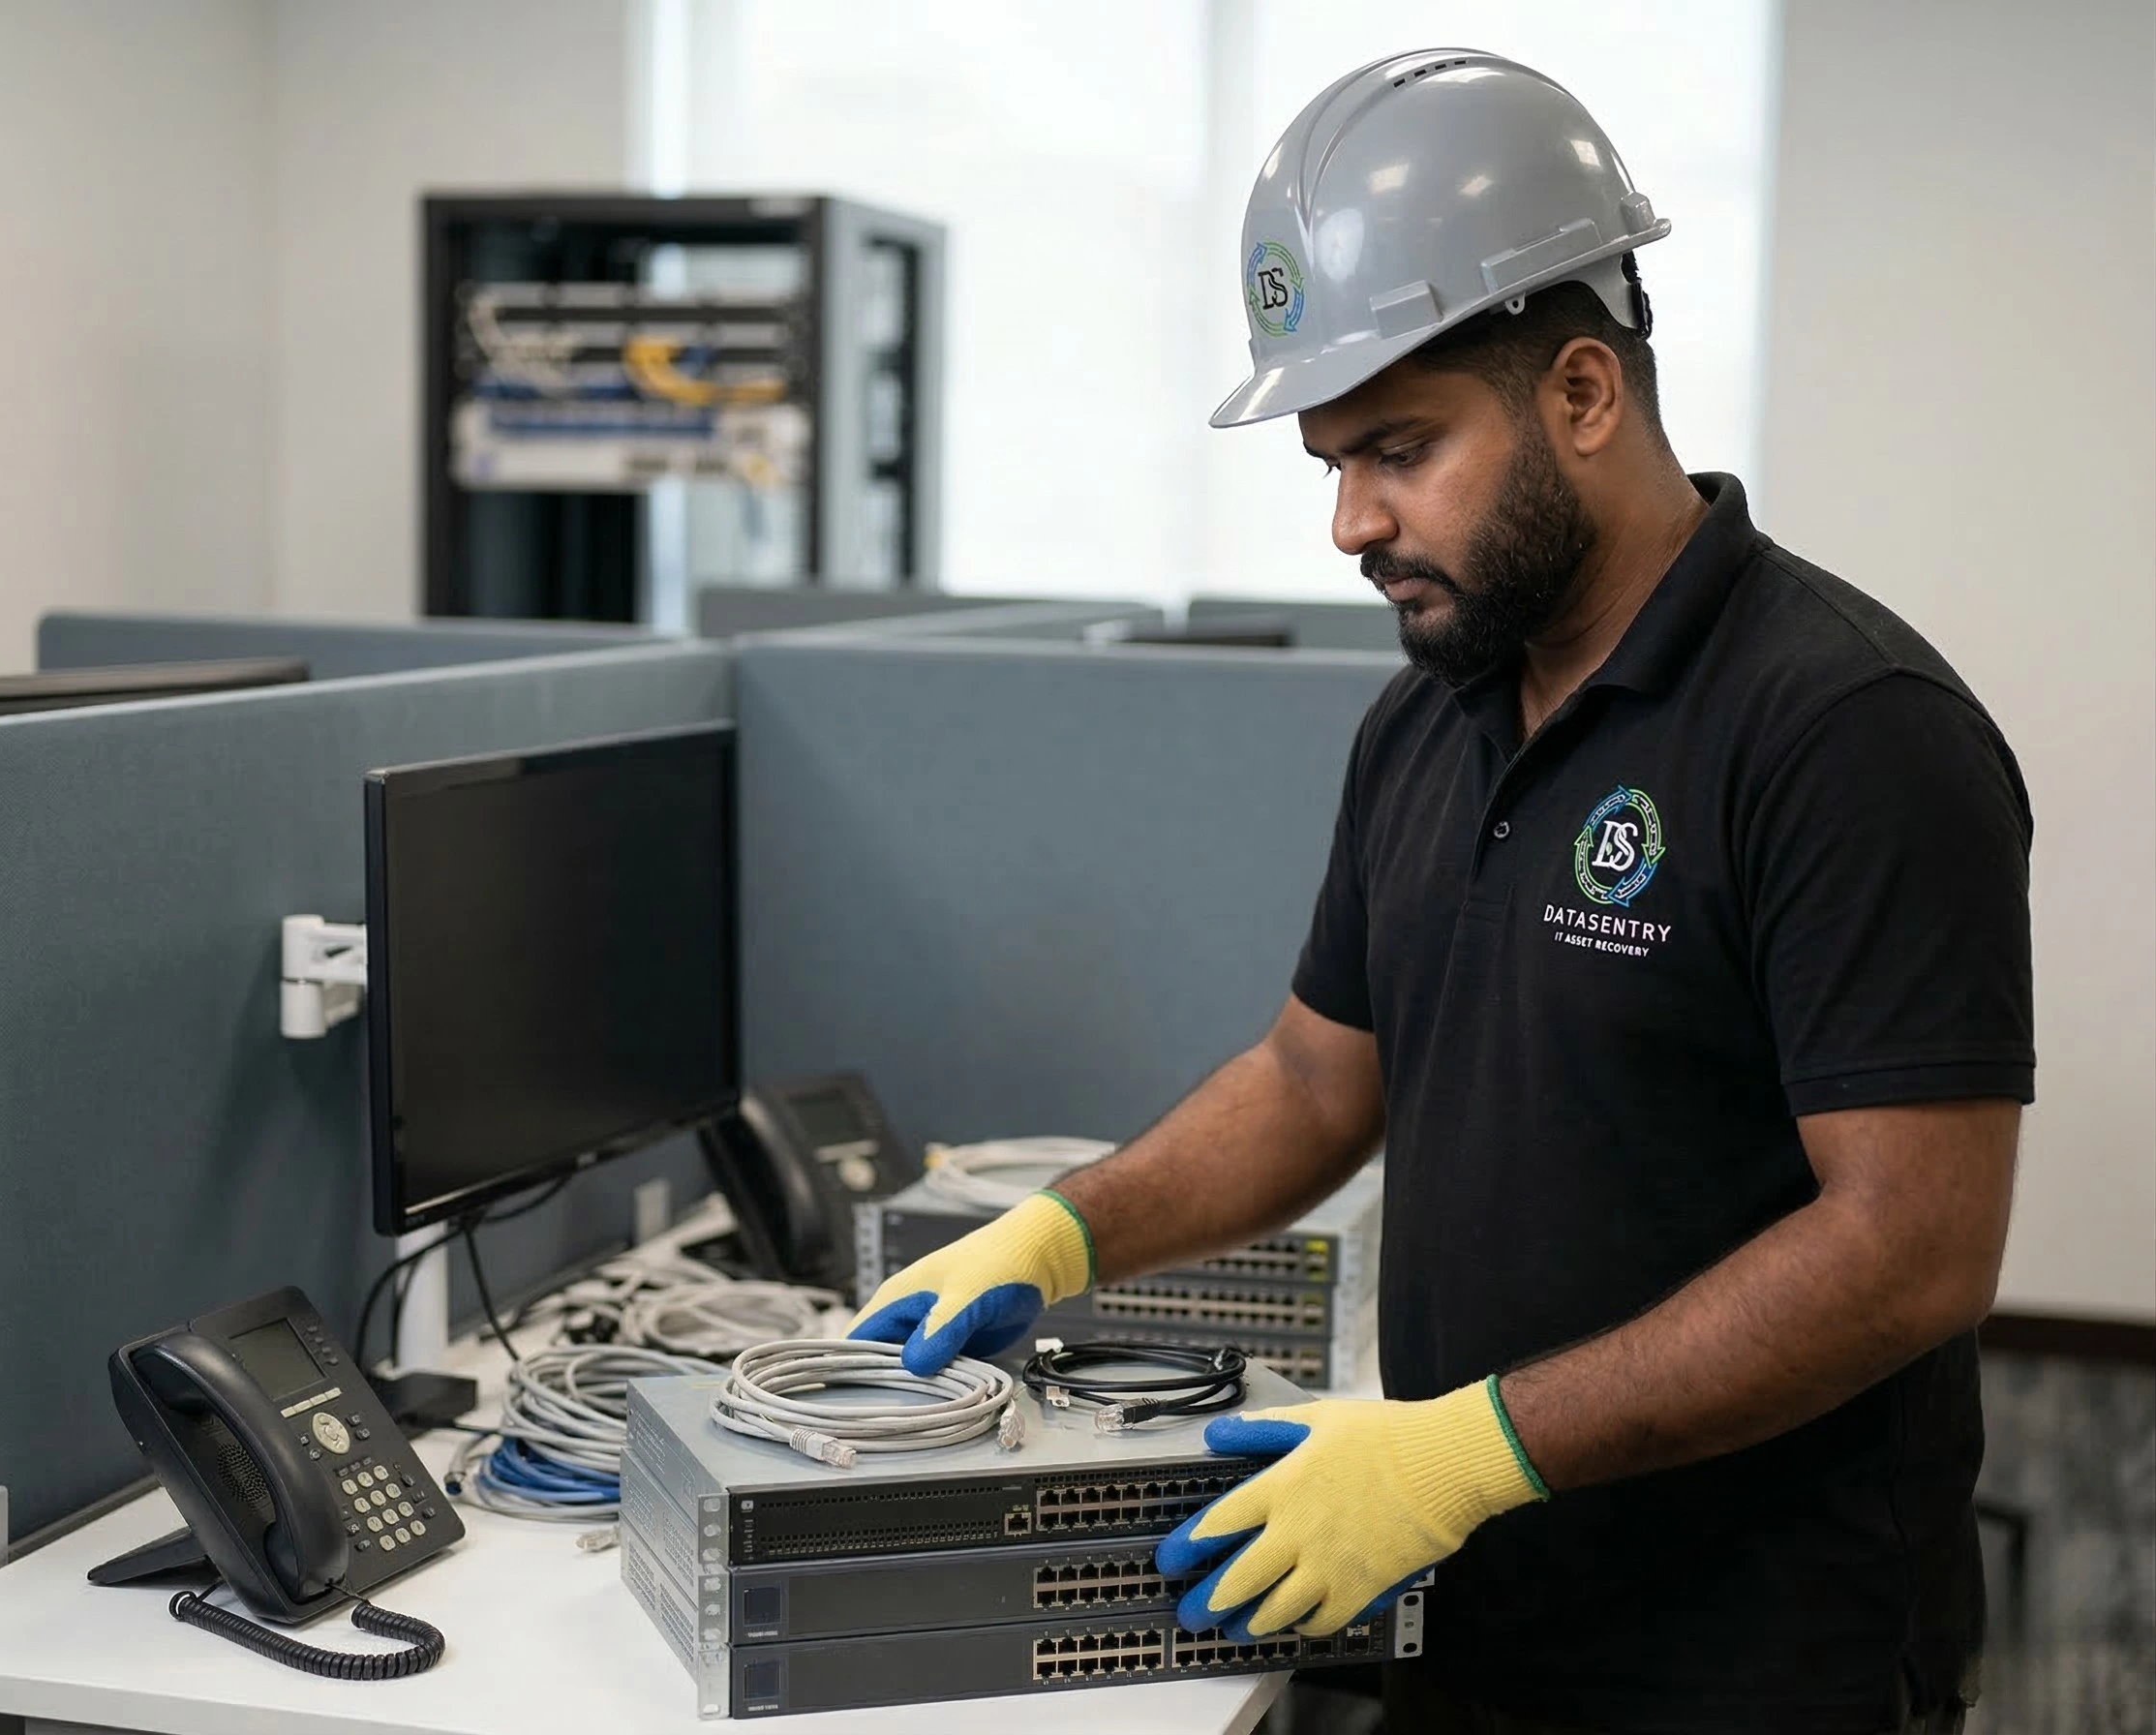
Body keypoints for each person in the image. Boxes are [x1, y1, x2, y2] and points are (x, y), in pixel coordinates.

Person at [851, 48, 2032, 1735]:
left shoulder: (1846, 730)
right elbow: (1313, 1080)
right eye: (1331, 462)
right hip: (1477, 1595)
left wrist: (1466, 1452)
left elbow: (1910, 1251)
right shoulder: (1430, 716)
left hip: (1759, 1654)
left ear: (1582, 393)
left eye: (1399, 449)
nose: (1351, 522)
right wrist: (1062, 1232)